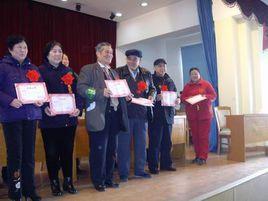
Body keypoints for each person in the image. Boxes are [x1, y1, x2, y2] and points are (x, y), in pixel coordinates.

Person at [77, 42, 129, 192]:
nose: (109, 55)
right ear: (98, 53)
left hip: (114, 115)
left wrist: (126, 94)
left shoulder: (114, 73)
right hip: (98, 115)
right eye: (106, 52)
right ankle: (98, 180)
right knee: (99, 150)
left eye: (111, 52)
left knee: (112, 149)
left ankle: (108, 178)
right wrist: (100, 93)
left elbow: (118, 91)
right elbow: (81, 89)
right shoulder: (88, 69)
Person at [0, 35, 42, 201]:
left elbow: (40, 88)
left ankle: (29, 189)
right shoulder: (3, 67)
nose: (23, 50)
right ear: (10, 50)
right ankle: (15, 191)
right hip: (12, 118)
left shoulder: (33, 68)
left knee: (29, 156)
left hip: (31, 117)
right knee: (15, 156)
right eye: (19, 47)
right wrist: (10, 100)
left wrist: (40, 99)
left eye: (25, 47)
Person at [39, 41, 83, 196]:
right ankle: (54, 182)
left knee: (67, 152)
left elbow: (78, 93)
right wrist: (44, 107)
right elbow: (38, 94)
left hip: (68, 121)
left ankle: (68, 181)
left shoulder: (69, 71)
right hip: (49, 121)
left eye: (60, 51)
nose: (57, 54)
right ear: (47, 54)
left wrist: (78, 108)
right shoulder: (40, 71)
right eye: (54, 51)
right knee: (51, 154)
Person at [116, 49, 156, 182]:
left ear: (140, 61)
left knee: (141, 144)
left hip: (142, 113)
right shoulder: (118, 72)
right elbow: (114, 88)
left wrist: (151, 95)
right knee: (123, 145)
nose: (132, 61)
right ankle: (123, 173)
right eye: (130, 58)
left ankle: (140, 170)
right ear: (126, 59)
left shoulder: (146, 73)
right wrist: (123, 94)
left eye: (135, 59)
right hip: (125, 113)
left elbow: (153, 88)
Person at [148, 58, 180, 174]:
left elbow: (176, 94)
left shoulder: (169, 80)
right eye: (160, 66)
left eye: (164, 66)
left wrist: (178, 100)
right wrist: (156, 98)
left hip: (169, 115)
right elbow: (148, 94)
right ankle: (153, 166)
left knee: (167, 142)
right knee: (155, 142)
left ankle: (166, 164)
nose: (162, 68)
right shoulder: (150, 79)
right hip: (156, 115)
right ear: (155, 68)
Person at [180, 67, 217, 165]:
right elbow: (183, 99)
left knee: (203, 136)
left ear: (199, 74)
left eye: (196, 73)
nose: (194, 75)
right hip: (192, 115)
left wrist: (204, 96)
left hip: (204, 115)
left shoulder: (206, 84)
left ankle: (203, 157)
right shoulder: (187, 86)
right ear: (190, 76)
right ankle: (197, 156)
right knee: (195, 137)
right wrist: (190, 98)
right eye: (192, 74)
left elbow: (213, 95)